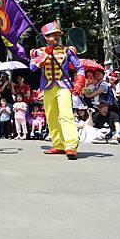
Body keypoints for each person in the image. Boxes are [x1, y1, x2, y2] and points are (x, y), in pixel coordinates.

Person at [30, 22, 85, 160]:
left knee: (66, 114)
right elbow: (32, 67)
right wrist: (44, 56)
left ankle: (71, 145)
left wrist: (79, 83)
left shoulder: (67, 51)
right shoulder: (39, 52)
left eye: (57, 35)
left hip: (63, 86)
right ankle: (58, 144)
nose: (56, 38)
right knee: (51, 116)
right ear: (45, 37)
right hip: (48, 88)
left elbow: (80, 67)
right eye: (52, 35)